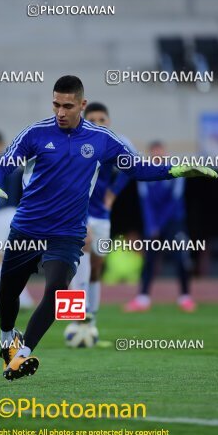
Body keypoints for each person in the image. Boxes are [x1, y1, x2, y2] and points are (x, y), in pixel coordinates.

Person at [0, 75, 217, 381]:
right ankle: (8, 338)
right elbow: (4, 162)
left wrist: (175, 169)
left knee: (61, 290)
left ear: (81, 105)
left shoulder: (101, 140)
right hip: (28, 228)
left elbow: (137, 167)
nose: (60, 111)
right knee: (8, 294)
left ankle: (25, 354)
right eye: (56, 104)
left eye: (67, 105)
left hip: (68, 233)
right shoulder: (35, 133)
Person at [70, 102, 131, 325]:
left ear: (109, 121)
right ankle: (77, 318)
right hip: (76, 211)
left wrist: (113, 193)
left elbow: (132, 166)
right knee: (77, 254)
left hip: (101, 214)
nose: (97, 124)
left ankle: (90, 324)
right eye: (92, 120)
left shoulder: (115, 142)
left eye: (101, 120)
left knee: (96, 268)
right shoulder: (74, 142)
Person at [124, 141, 195, 312]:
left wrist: (160, 225)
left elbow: (174, 200)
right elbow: (145, 202)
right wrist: (152, 226)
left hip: (174, 222)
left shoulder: (177, 170)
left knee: (182, 258)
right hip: (154, 223)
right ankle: (143, 298)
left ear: (165, 153)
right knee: (149, 259)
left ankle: (185, 297)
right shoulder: (144, 174)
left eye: (160, 152)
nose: (157, 156)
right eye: (154, 153)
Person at [0, 130, 34, 317]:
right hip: (17, 215)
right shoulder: (17, 165)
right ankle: (24, 298)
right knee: (13, 261)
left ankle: (0, 304)